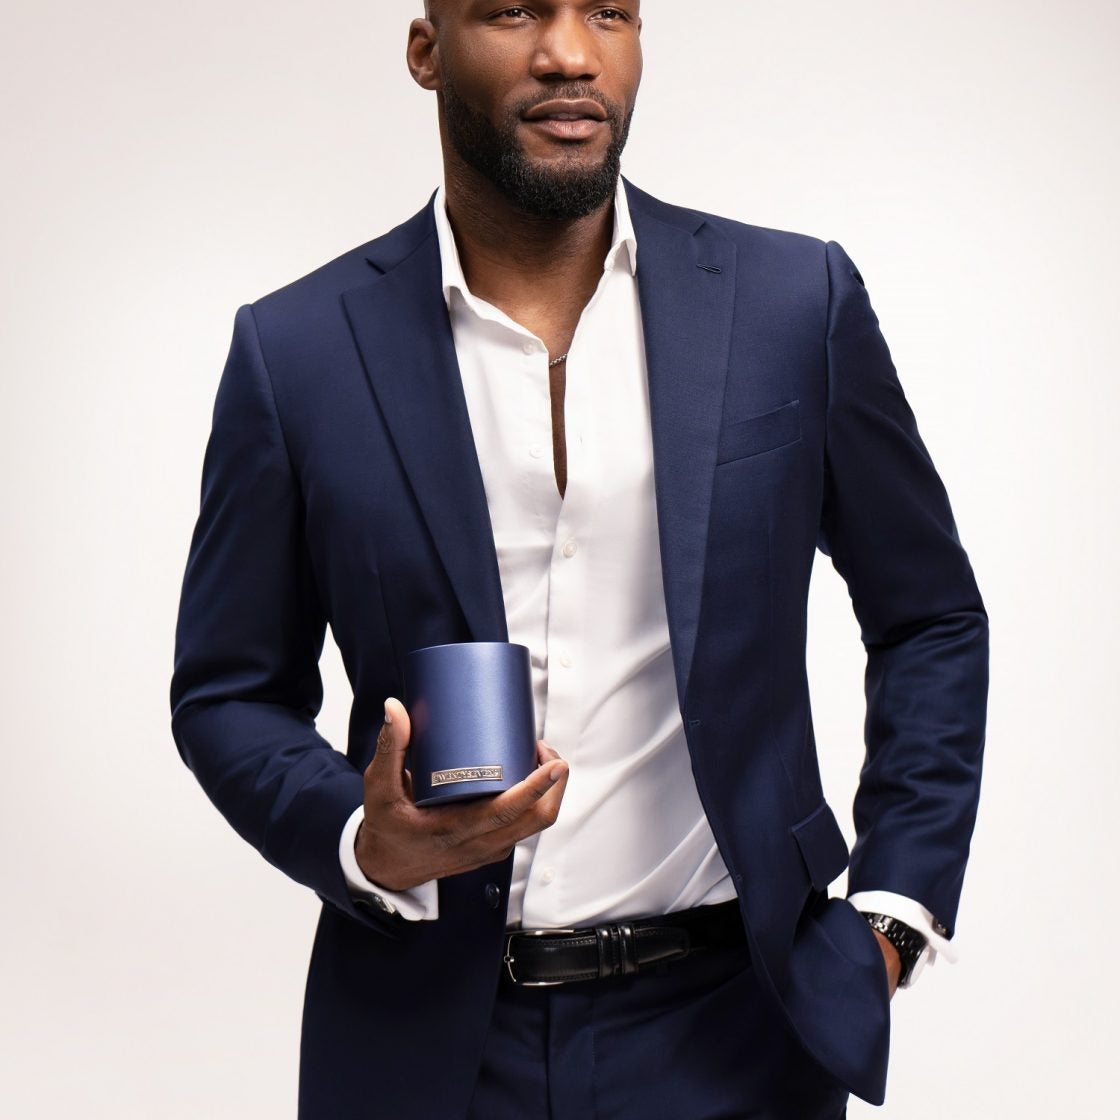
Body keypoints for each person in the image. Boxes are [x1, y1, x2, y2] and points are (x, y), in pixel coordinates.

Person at [169, 2, 988, 1117]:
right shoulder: (298, 350)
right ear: (426, 52)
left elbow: (929, 615)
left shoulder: (792, 303)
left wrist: (893, 914)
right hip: (429, 1044)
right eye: (514, 11)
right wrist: (364, 841)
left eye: (609, 12)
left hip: (740, 1033)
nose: (569, 54)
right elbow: (228, 691)